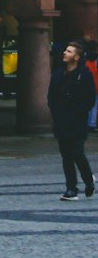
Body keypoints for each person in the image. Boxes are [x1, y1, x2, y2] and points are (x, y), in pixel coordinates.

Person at [48, 37, 97, 200]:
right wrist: (56, 113)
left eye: (69, 51)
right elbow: (51, 97)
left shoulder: (84, 76)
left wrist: (77, 112)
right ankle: (71, 188)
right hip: (62, 120)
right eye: (65, 50)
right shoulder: (58, 74)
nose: (64, 53)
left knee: (77, 153)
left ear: (76, 57)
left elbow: (89, 99)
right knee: (66, 156)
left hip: (77, 121)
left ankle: (89, 180)